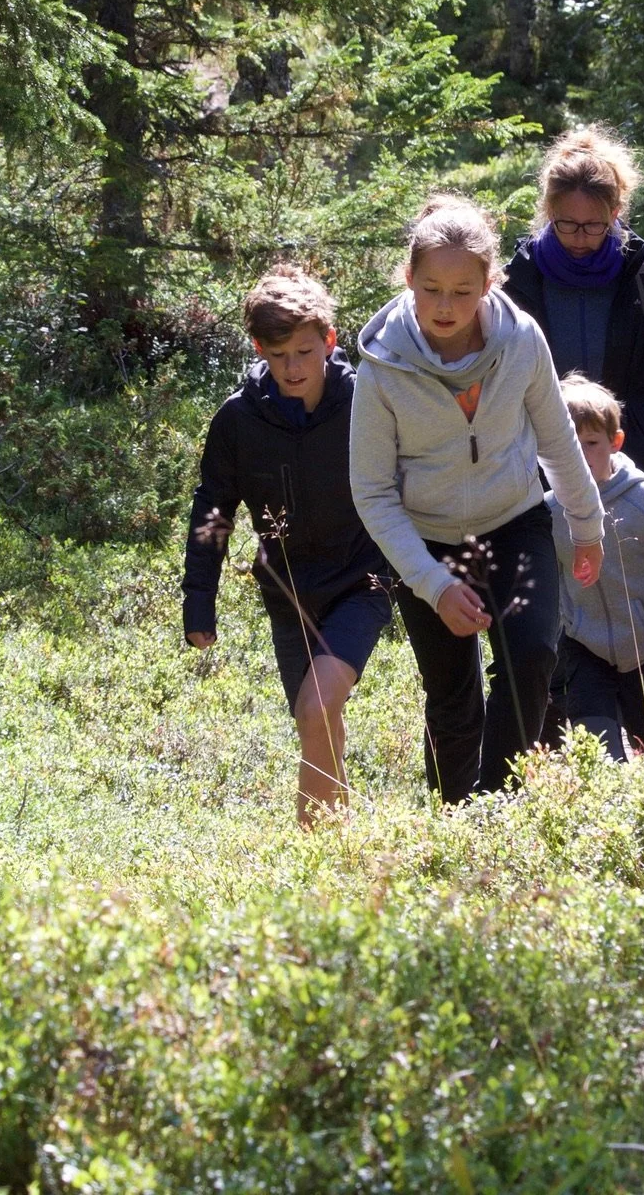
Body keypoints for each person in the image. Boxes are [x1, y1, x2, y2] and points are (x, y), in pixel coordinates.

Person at [350, 194, 606, 801]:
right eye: (431, 288)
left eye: (463, 291)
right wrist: (434, 585)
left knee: (534, 657)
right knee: (453, 699)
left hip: (514, 523)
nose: (445, 306)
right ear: (408, 278)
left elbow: (557, 440)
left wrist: (587, 524)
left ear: (490, 283)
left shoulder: (521, 342)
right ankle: (451, 818)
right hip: (427, 542)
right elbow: (372, 490)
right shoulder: (382, 364)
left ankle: (493, 813)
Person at [183, 265, 392, 827]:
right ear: (259, 349)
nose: (293, 369)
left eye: (305, 352)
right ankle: (339, 842)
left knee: (316, 705)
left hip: (361, 580)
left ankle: (312, 843)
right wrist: (199, 596)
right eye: (279, 357)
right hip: (289, 593)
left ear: (329, 340)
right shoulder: (238, 420)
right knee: (317, 720)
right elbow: (214, 510)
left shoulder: (365, 401)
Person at [502, 126, 644, 532]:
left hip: (636, 455)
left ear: (615, 213)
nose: (580, 238)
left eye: (593, 225)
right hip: (543, 460)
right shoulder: (519, 280)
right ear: (549, 212)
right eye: (568, 224)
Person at [547, 374, 644, 759]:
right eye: (569, 445)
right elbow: (546, 588)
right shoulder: (550, 511)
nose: (581, 456)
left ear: (615, 442)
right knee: (600, 755)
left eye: (591, 443)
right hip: (585, 650)